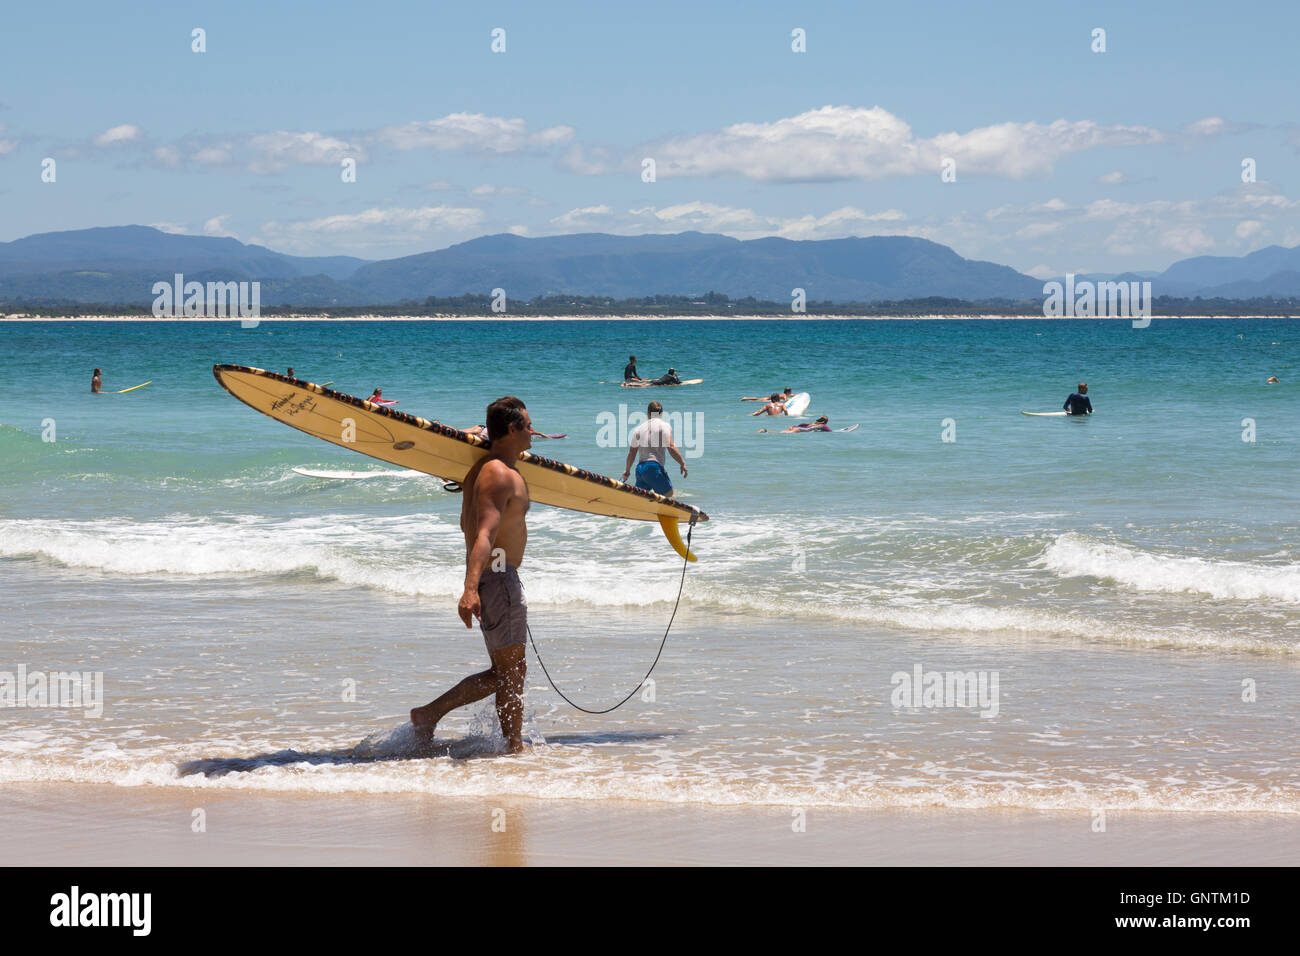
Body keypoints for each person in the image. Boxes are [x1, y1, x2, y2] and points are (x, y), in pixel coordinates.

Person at [411, 396, 534, 755]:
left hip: (493, 577)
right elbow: (484, 533)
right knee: (510, 673)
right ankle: (512, 747)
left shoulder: (481, 468)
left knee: (507, 670)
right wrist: (470, 589)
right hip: (498, 577)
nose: (533, 431)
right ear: (511, 430)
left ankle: (433, 716)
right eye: (527, 426)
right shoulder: (499, 473)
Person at [622, 400, 687, 496]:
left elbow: (631, 453)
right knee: (668, 494)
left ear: (648, 413)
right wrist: (682, 463)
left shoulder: (638, 429)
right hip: (653, 467)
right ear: (661, 414)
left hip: (640, 470)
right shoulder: (664, 426)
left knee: (640, 498)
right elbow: (671, 447)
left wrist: (627, 471)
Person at [760, 416, 831, 433]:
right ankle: (765, 431)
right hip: (798, 429)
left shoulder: (812, 423)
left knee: (780, 432)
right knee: (780, 433)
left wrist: (795, 427)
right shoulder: (823, 426)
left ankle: (766, 431)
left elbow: (802, 424)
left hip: (795, 426)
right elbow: (809, 429)